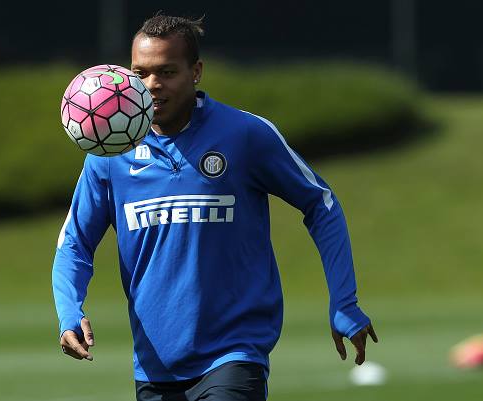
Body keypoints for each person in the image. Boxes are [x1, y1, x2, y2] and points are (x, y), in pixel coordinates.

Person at [52, 14, 378, 401]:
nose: (152, 85)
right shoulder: (110, 154)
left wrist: (344, 301)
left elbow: (320, 203)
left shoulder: (245, 135)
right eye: (141, 73)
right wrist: (69, 312)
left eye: (167, 72)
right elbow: (75, 243)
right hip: (155, 365)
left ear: (196, 72)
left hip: (234, 354)